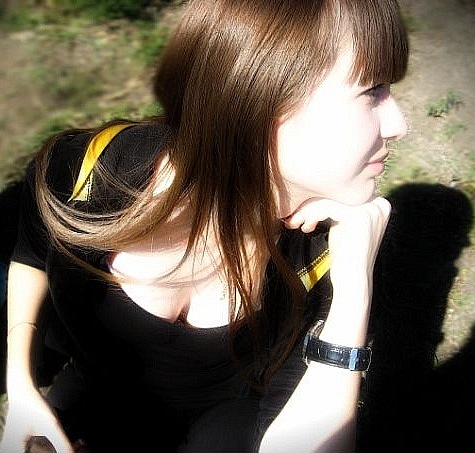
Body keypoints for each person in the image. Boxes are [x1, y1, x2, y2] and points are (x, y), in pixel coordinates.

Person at [0, 0, 409, 451]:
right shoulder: (90, 173)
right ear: (259, 99)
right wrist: (21, 385)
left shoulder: (329, 251)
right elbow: (31, 255)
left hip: (226, 427)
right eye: (372, 90)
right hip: (97, 393)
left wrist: (353, 293)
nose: (399, 124)